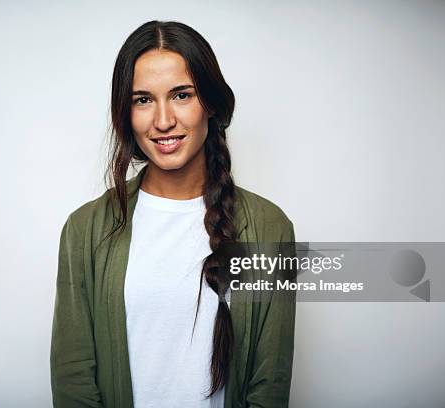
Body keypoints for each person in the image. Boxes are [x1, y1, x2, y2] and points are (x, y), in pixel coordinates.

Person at [50, 20, 297, 408]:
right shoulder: (85, 230)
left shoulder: (268, 227)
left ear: (210, 103)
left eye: (181, 95)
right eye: (143, 100)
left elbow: (270, 381)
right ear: (126, 113)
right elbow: (73, 376)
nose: (163, 121)